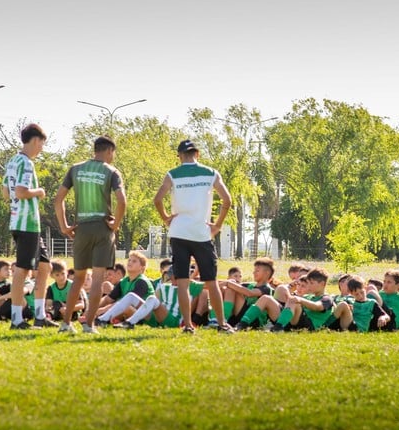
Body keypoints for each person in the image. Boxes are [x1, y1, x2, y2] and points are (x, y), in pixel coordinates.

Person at [154, 139, 234, 334]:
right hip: (201, 233)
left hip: (179, 232)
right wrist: (217, 225)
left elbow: (157, 199)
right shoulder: (211, 173)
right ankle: (222, 324)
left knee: (182, 282)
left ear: (180, 156)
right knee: (211, 281)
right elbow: (227, 200)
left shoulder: (172, 174)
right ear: (197, 154)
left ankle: (188, 326)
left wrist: (166, 218)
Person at [55, 135, 126, 334]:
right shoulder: (111, 171)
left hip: (81, 229)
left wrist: (64, 226)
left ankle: (66, 324)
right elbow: (122, 201)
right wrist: (116, 224)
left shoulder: (75, 169)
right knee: (97, 279)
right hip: (103, 229)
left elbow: (58, 199)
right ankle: (89, 325)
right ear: (110, 151)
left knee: (78, 279)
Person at [2, 123, 58, 330]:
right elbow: (22, 191)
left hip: (20, 221)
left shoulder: (12, 161)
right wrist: (39, 192)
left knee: (45, 267)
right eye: (42, 144)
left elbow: (5, 192)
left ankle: (41, 316)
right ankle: (16, 319)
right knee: (23, 270)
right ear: (35, 140)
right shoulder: (26, 163)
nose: (41, 148)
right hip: (27, 223)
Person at [94, 251, 155, 326]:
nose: (130, 262)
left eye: (134, 261)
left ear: (142, 267)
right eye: (129, 260)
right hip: (127, 311)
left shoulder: (142, 282)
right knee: (110, 305)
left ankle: (104, 319)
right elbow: (108, 299)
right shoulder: (123, 281)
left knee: (127, 308)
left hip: (144, 315)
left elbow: (128, 303)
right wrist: (93, 309)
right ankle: (103, 318)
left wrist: (103, 310)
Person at [223, 257, 275, 329]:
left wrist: (228, 283)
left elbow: (250, 293)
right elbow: (232, 285)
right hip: (240, 315)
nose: (254, 272)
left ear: (267, 273)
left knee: (232, 288)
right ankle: (218, 320)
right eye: (254, 270)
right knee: (227, 289)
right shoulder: (250, 285)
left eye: (257, 271)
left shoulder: (266, 288)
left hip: (254, 320)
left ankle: (223, 321)